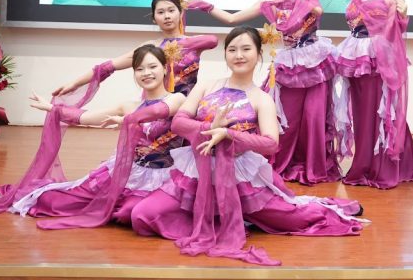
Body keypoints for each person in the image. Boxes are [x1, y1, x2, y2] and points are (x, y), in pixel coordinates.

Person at [130, 26, 364, 266]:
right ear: (225, 54)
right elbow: (179, 123)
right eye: (232, 50)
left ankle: (326, 209)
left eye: (245, 49)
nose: (239, 55)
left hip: (239, 180)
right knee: (142, 216)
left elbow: (270, 144)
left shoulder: (262, 98)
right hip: (196, 174)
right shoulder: (206, 86)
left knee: (294, 217)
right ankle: (216, 219)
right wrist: (207, 128)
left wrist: (228, 134)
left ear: (258, 53)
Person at [0, 45, 190, 230]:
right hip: (125, 173)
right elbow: (87, 117)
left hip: (163, 178)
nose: (146, 73)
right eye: (140, 69)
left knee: (128, 214)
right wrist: (54, 109)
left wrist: (127, 121)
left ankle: (114, 206)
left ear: (165, 68)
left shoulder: (177, 99)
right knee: (56, 200)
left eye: (152, 67)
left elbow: (158, 111)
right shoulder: (128, 105)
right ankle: (9, 193)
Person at [197, 0, 339, 184]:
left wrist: (296, 3)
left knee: (314, 116)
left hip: (315, 61)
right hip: (290, 64)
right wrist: (208, 7)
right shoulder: (268, 3)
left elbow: (318, 12)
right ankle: (284, 163)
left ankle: (313, 166)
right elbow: (233, 19)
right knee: (287, 119)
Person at [321, 0, 413, 189]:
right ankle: (368, 162)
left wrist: (402, 17)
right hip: (355, 55)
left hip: (377, 60)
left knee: (377, 112)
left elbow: (394, 34)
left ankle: (378, 166)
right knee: (361, 113)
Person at [53, 0, 217, 98]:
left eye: (171, 10)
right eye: (160, 12)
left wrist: (205, 6)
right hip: (156, 109)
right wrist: (75, 83)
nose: (167, 16)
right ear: (154, 19)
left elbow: (213, 40)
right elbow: (108, 66)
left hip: (187, 108)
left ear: (180, 13)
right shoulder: (150, 48)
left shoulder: (194, 43)